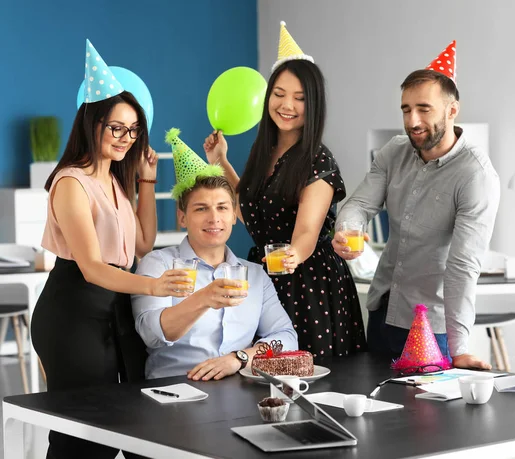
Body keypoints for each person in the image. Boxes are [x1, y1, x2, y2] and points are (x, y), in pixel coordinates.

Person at [30, 40, 190, 459]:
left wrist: (146, 182)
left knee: (126, 422)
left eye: (133, 129)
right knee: (83, 431)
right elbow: (92, 268)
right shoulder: (70, 182)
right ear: (92, 123)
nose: (126, 137)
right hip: (73, 312)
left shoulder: (115, 180)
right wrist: (153, 287)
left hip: (113, 309)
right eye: (116, 127)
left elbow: (141, 243)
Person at [333, 41, 501, 370]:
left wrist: (460, 348)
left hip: (432, 325)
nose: (412, 120)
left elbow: (463, 267)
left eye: (424, 108)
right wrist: (348, 229)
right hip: (383, 310)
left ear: (452, 110)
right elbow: (358, 204)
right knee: (377, 410)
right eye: (406, 109)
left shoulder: (475, 176)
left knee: (430, 420)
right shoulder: (394, 151)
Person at [203, 21, 366, 358]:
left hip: (309, 284)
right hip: (265, 277)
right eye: (278, 95)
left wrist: (293, 255)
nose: (286, 105)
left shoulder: (318, 160)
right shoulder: (262, 150)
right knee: (258, 378)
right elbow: (251, 214)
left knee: (307, 378)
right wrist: (221, 162)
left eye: (299, 98)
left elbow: (307, 231)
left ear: (314, 104)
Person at [132, 130, 297, 380]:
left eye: (222, 207)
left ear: (233, 216)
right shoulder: (157, 264)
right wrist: (203, 299)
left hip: (239, 388)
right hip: (174, 389)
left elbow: (286, 337)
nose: (214, 218)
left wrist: (239, 359)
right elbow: (152, 335)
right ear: (182, 218)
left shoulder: (254, 274)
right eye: (201, 209)